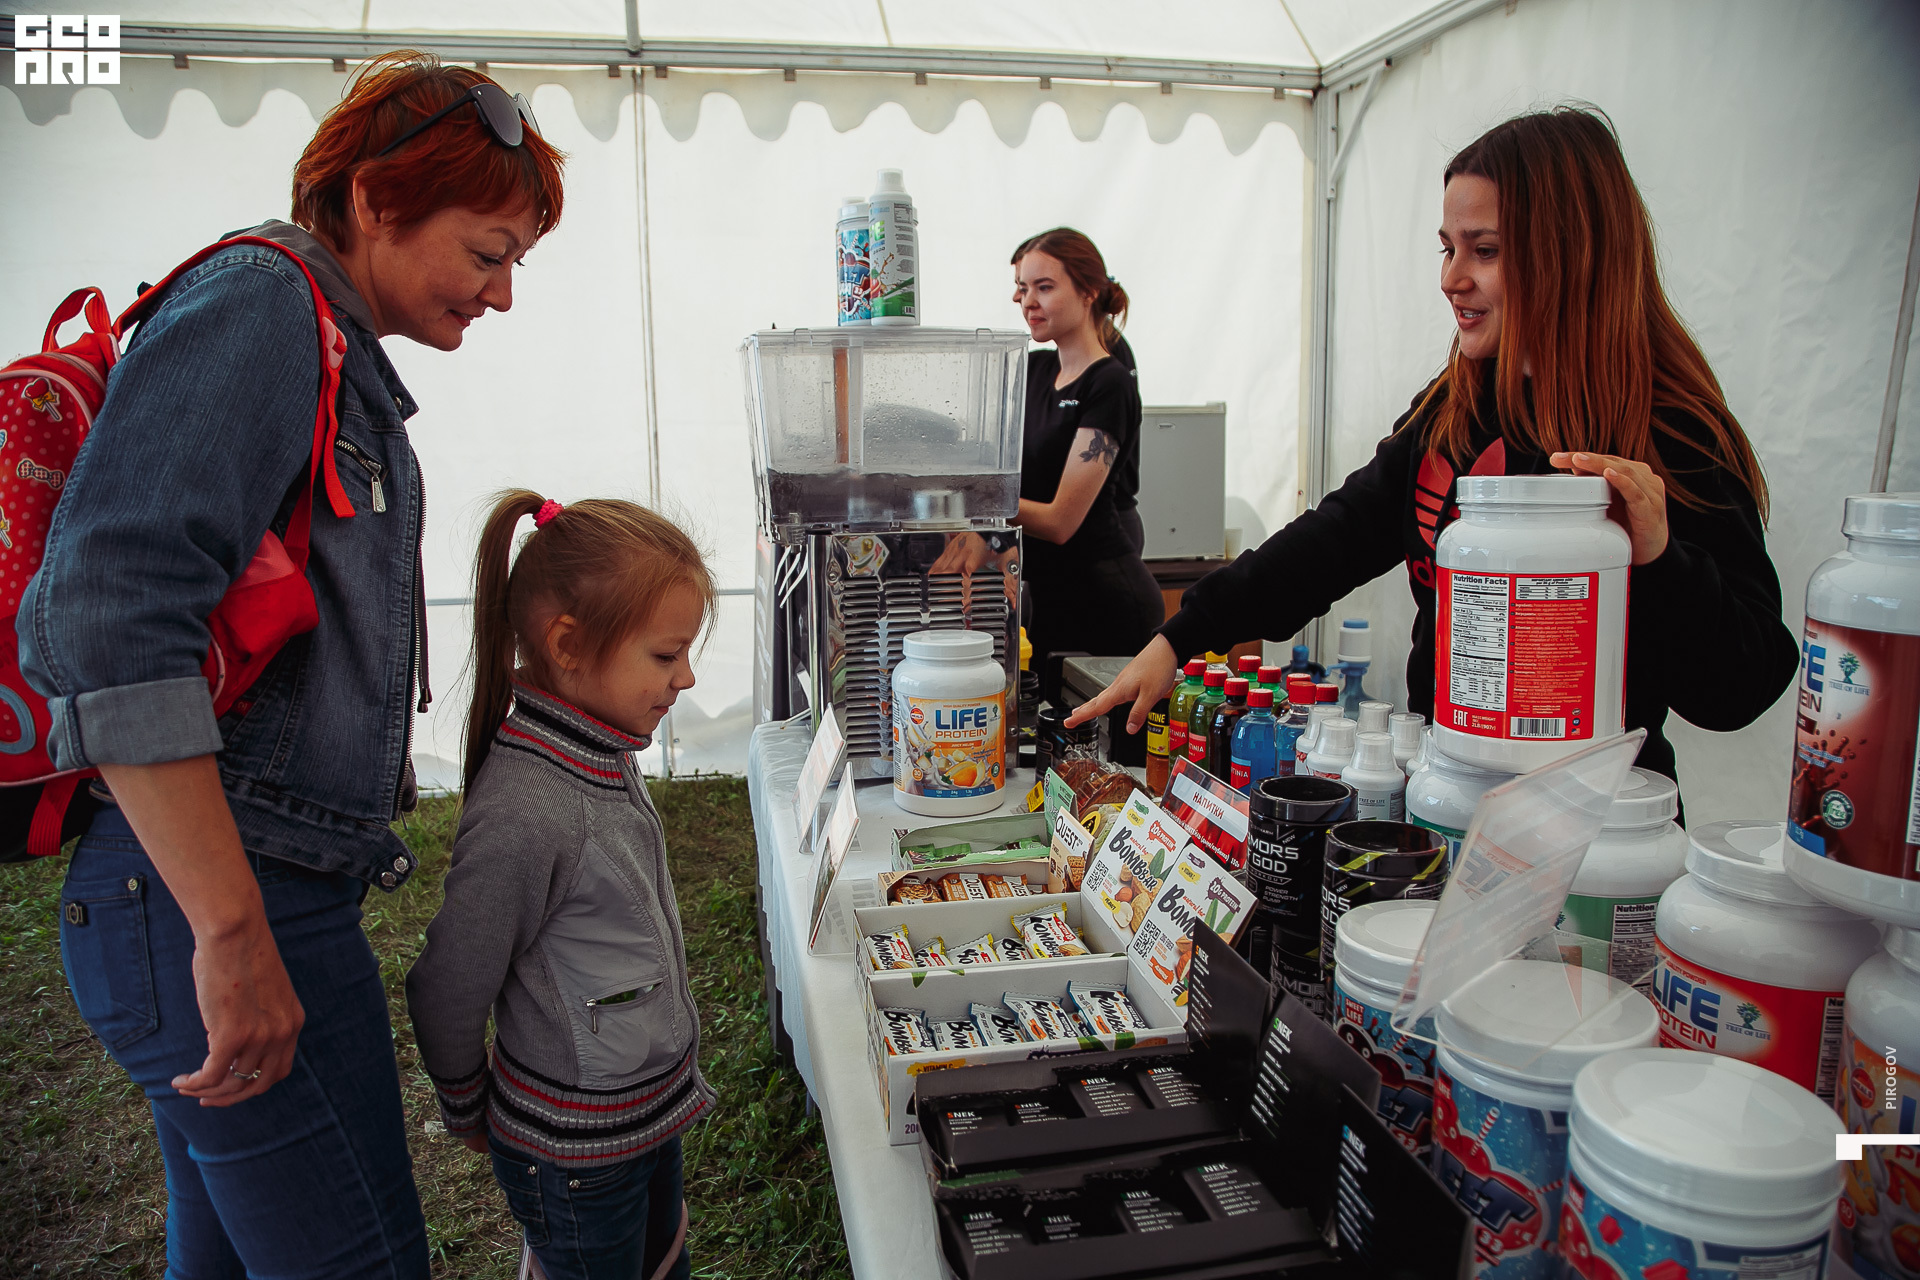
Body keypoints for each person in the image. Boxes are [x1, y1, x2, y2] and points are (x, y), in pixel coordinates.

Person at [20, 52, 564, 1276]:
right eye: (487, 253)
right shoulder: (263, 304)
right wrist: (227, 927)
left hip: (233, 886)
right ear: (375, 202)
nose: (503, 294)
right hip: (214, 886)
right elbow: (109, 607)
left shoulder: (319, 332)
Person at [1068, 107, 1797, 786]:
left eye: (1484, 250)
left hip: (1602, 833)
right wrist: (1184, 635)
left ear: (1571, 257)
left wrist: (1661, 557)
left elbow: (1743, 686)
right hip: (1448, 797)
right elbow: (1335, 537)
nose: (1451, 279)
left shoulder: (1671, 431)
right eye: (1448, 248)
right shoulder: (1455, 408)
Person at [406, 492, 716, 1280]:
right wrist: (465, 1101)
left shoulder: (597, 750)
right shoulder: (531, 808)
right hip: (579, 1157)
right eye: (664, 655)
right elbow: (449, 979)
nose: (686, 676)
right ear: (568, 645)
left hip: (638, 1123)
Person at [1009, 228, 1165, 670]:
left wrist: (970, 498)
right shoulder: (1035, 369)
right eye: (1023, 289)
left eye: (1045, 287)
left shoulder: (1109, 383)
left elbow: (1060, 521)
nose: (1028, 302)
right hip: (1049, 602)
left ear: (1089, 292)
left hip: (1107, 609)